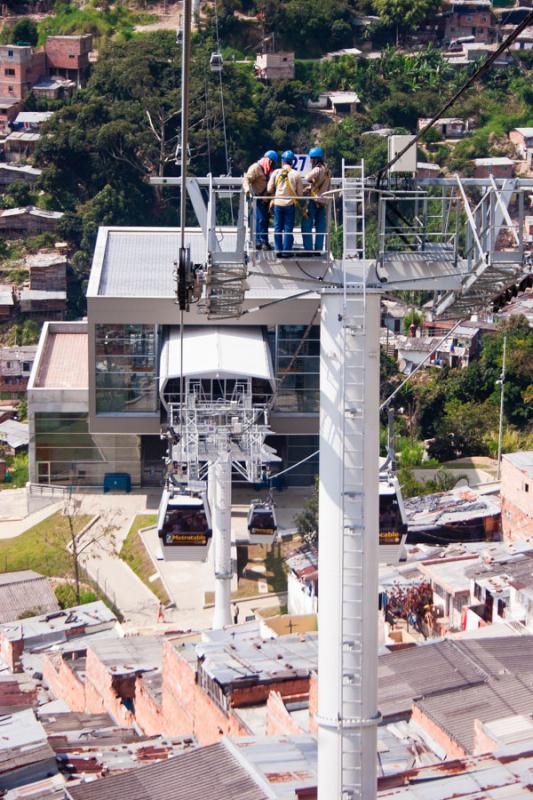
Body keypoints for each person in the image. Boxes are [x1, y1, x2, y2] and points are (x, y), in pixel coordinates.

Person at [267, 149, 304, 258]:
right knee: (288, 228)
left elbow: (269, 189)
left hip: (278, 203)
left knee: (278, 227)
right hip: (289, 204)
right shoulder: (296, 174)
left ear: (282, 161)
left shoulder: (276, 172)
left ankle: (278, 249)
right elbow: (300, 194)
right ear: (292, 162)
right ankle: (286, 251)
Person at [243, 150, 278, 251]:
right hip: (258, 199)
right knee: (260, 219)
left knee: (265, 221)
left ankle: (264, 241)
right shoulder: (255, 168)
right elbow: (246, 180)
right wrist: (247, 191)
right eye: (271, 163)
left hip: (266, 199)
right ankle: (259, 242)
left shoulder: (269, 171)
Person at [302, 146, 331, 254]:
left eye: (311, 158)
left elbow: (307, 177)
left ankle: (308, 250)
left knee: (307, 224)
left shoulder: (317, 169)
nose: (310, 161)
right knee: (320, 226)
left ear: (315, 159)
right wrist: (312, 187)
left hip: (314, 201)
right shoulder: (327, 170)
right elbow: (323, 185)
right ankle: (318, 250)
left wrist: (311, 184)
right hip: (323, 201)